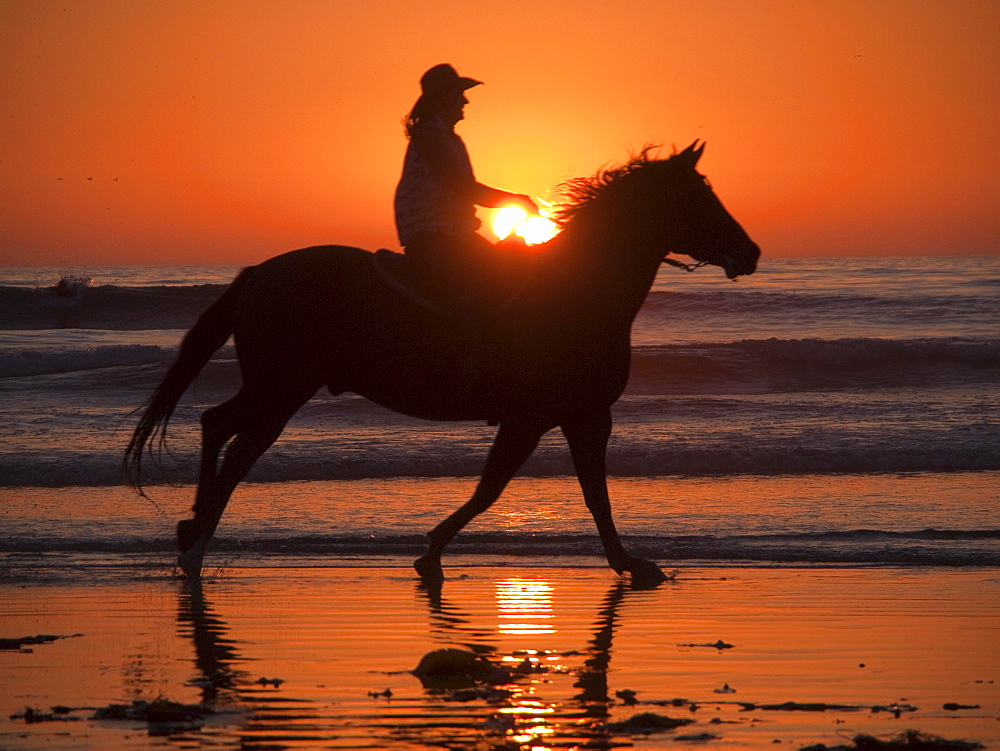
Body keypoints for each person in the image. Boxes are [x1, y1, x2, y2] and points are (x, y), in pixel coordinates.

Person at [394, 63, 537, 311]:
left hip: (454, 233)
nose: (465, 101)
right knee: (488, 288)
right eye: (458, 94)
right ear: (442, 99)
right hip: (434, 235)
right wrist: (515, 200)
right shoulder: (432, 136)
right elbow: (463, 188)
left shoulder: (447, 137)